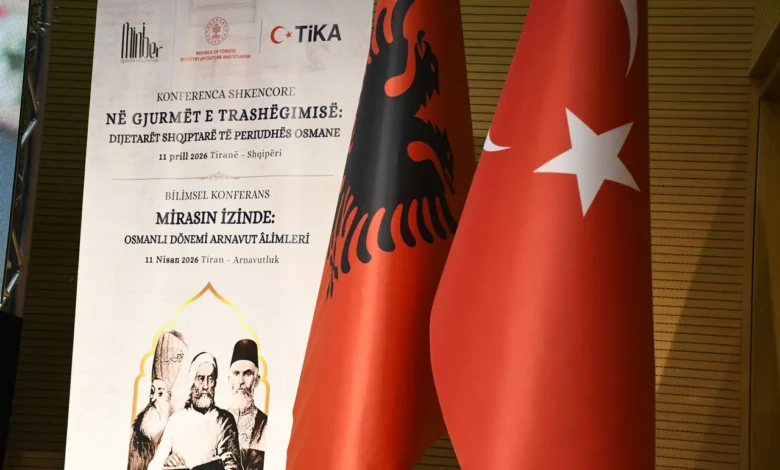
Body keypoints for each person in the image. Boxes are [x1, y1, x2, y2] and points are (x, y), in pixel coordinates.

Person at [148, 353, 241, 470]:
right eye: (201, 379)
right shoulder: (175, 420)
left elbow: (232, 466)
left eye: (210, 379)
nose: (206, 386)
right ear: (192, 382)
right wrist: (166, 464)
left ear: (215, 383)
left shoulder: (224, 420)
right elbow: (154, 465)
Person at [127, 330, 187, 470]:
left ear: (169, 399)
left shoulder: (179, 430)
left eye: (160, 393)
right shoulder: (138, 432)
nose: (153, 398)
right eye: (152, 391)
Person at [227, 339, 268, 470]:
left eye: (247, 374)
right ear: (229, 379)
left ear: (256, 380)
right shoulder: (218, 421)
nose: (241, 381)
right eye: (236, 374)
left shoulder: (266, 425)